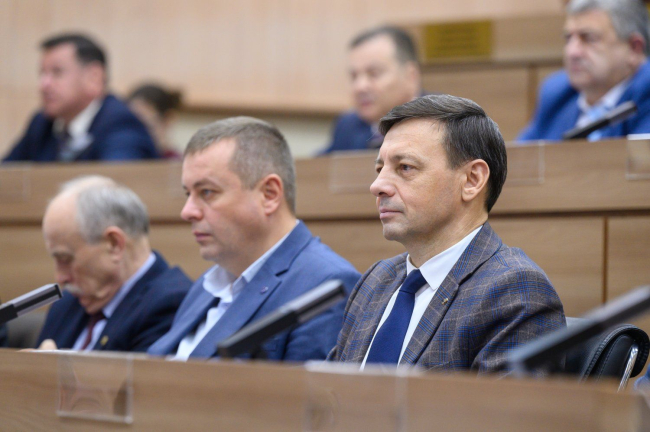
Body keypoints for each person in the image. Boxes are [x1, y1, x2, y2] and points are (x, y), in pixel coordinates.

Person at [328, 94, 565, 373]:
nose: (377, 185)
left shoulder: (514, 291)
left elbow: (504, 404)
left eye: (405, 167)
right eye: (380, 169)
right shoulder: (375, 281)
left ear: (472, 180)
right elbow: (328, 392)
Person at [147, 117, 360, 361]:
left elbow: (300, 388)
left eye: (206, 192)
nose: (187, 212)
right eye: (188, 194)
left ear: (269, 194)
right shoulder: (207, 285)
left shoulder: (327, 285)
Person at [36, 176, 192, 352]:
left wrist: (53, 368)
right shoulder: (67, 304)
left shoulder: (171, 304)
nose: (60, 277)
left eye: (65, 259)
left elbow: (138, 372)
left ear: (114, 244)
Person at [3, 33, 158, 162]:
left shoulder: (121, 124)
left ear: (94, 78)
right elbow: (7, 175)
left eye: (57, 72)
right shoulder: (42, 124)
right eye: (42, 74)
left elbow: (113, 184)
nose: (44, 84)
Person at [518, 0, 650, 141]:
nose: (572, 52)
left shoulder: (646, 92)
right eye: (568, 38)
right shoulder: (556, 95)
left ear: (634, 48)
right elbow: (521, 153)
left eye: (589, 38)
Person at [320, 26, 422, 154]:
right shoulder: (348, 126)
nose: (360, 87)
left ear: (410, 76)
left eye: (374, 74)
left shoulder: (441, 125)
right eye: (354, 76)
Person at [127, 83, 183, 159]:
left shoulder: (179, 162)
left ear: (168, 119)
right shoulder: (124, 159)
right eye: (131, 126)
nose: (138, 135)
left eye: (146, 126)